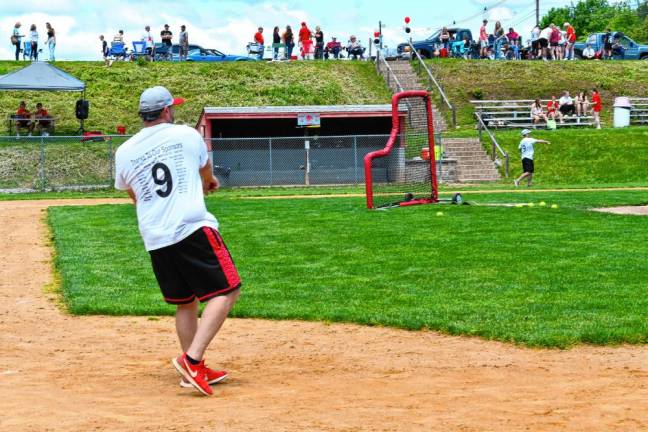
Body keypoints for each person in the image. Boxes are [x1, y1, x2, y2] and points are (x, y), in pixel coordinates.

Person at [114, 86, 241, 396]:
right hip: (190, 226)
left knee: (186, 303)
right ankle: (192, 360)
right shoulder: (186, 134)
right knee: (228, 290)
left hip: (156, 235)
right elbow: (205, 169)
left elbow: (134, 194)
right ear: (167, 111)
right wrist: (208, 183)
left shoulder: (125, 150)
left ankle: (193, 371)